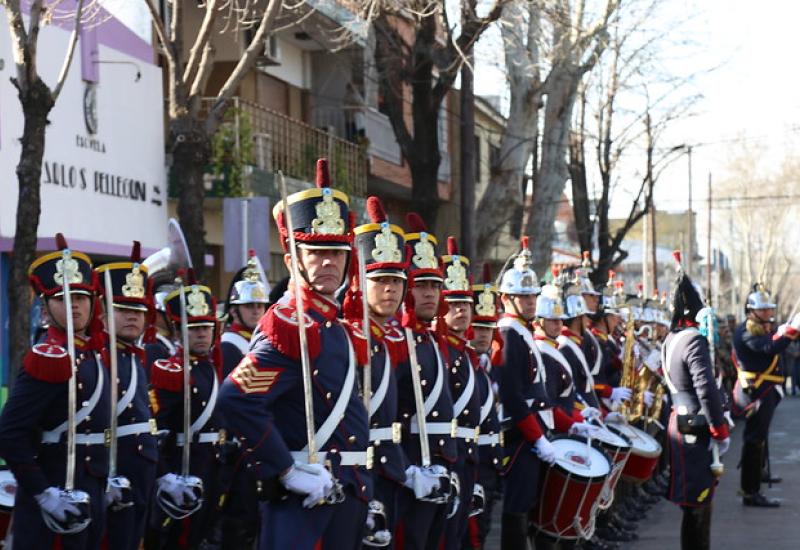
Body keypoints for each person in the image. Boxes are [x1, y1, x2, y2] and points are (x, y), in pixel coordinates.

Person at [217, 159, 371, 549]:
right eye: (315, 252)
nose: (327, 262)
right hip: (306, 497)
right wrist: (285, 469)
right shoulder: (288, 325)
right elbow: (236, 398)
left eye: (337, 253)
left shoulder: (333, 324)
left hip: (347, 492)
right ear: (292, 261)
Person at [0, 234, 110, 548]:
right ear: (46, 308)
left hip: (93, 486)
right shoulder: (47, 357)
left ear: (93, 303)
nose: (74, 304)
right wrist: (43, 493)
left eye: (81, 296)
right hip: (56, 489)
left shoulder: (94, 355)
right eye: (62, 298)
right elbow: (10, 434)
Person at [347, 196, 410, 547]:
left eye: (397, 281)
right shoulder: (347, 335)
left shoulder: (391, 339)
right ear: (359, 283)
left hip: (390, 465)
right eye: (381, 280)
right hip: (356, 468)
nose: (390, 289)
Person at [393, 213, 457, 550]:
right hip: (411, 464)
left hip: (440, 461)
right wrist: (406, 470)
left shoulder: (432, 339)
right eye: (421, 285)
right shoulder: (396, 341)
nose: (430, 294)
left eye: (435, 285)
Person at [145, 277, 224, 549]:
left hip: (213, 464)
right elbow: (156, 428)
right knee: (176, 538)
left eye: (206, 327)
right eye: (194, 328)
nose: (202, 334)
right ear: (178, 332)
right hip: (183, 464)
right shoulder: (170, 370)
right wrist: (165, 475)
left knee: (201, 535)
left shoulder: (212, 367)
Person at [661, 259, 730, 550]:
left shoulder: (672, 338)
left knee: (694, 505)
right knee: (699, 504)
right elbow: (705, 388)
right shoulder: (693, 340)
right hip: (696, 427)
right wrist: (719, 427)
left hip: (681, 421)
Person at [96, 242, 159, 550]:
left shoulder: (135, 357)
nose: (133, 317)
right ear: (103, 314)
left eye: (138, 310)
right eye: (122, 309)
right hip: (111, 466)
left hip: (141, 465)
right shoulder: (97, 357)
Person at [495, 237, 556, 550]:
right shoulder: (508, 333)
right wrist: (536, 437)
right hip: (519, 435)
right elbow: (512, 394)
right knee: (516, 507)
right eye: (523, 296)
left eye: (533, 296)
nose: (531, 301)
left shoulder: (522, 331)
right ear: (507, 298)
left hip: (534, 432)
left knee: (530, 505)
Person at [216, 252, 269, 548]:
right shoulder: (230, 345)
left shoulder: (259, 344)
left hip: (260, 442)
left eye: (260, 305)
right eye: (249, 306)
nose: (256, 311)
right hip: (237, 447)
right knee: (238, 521)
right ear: (234, 312)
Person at [732, 283, 799, 507]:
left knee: (760, 437)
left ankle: (759, 473)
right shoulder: (747, 331)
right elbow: (768, 348)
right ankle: (750, 492)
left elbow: (771, 339)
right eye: (763, 310)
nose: (769, 313)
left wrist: (783, 330)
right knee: (754, 440)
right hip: (755, 392)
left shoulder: (759, 328)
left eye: (769, 309)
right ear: (751, 311)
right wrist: (790, 332)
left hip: (765, 391)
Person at [439, 237, 481, 550]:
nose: (462, 312)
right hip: (446, 453)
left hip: (468, 454)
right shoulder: (439, 352)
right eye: (454, 305)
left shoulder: (465, 353)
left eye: (466, 305)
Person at [466, 264, 503, 549]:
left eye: (488, 328)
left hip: (489, 464)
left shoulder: (486, 367)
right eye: (477, 327)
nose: (482, 334)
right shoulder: (462, 366)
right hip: (471, 464)